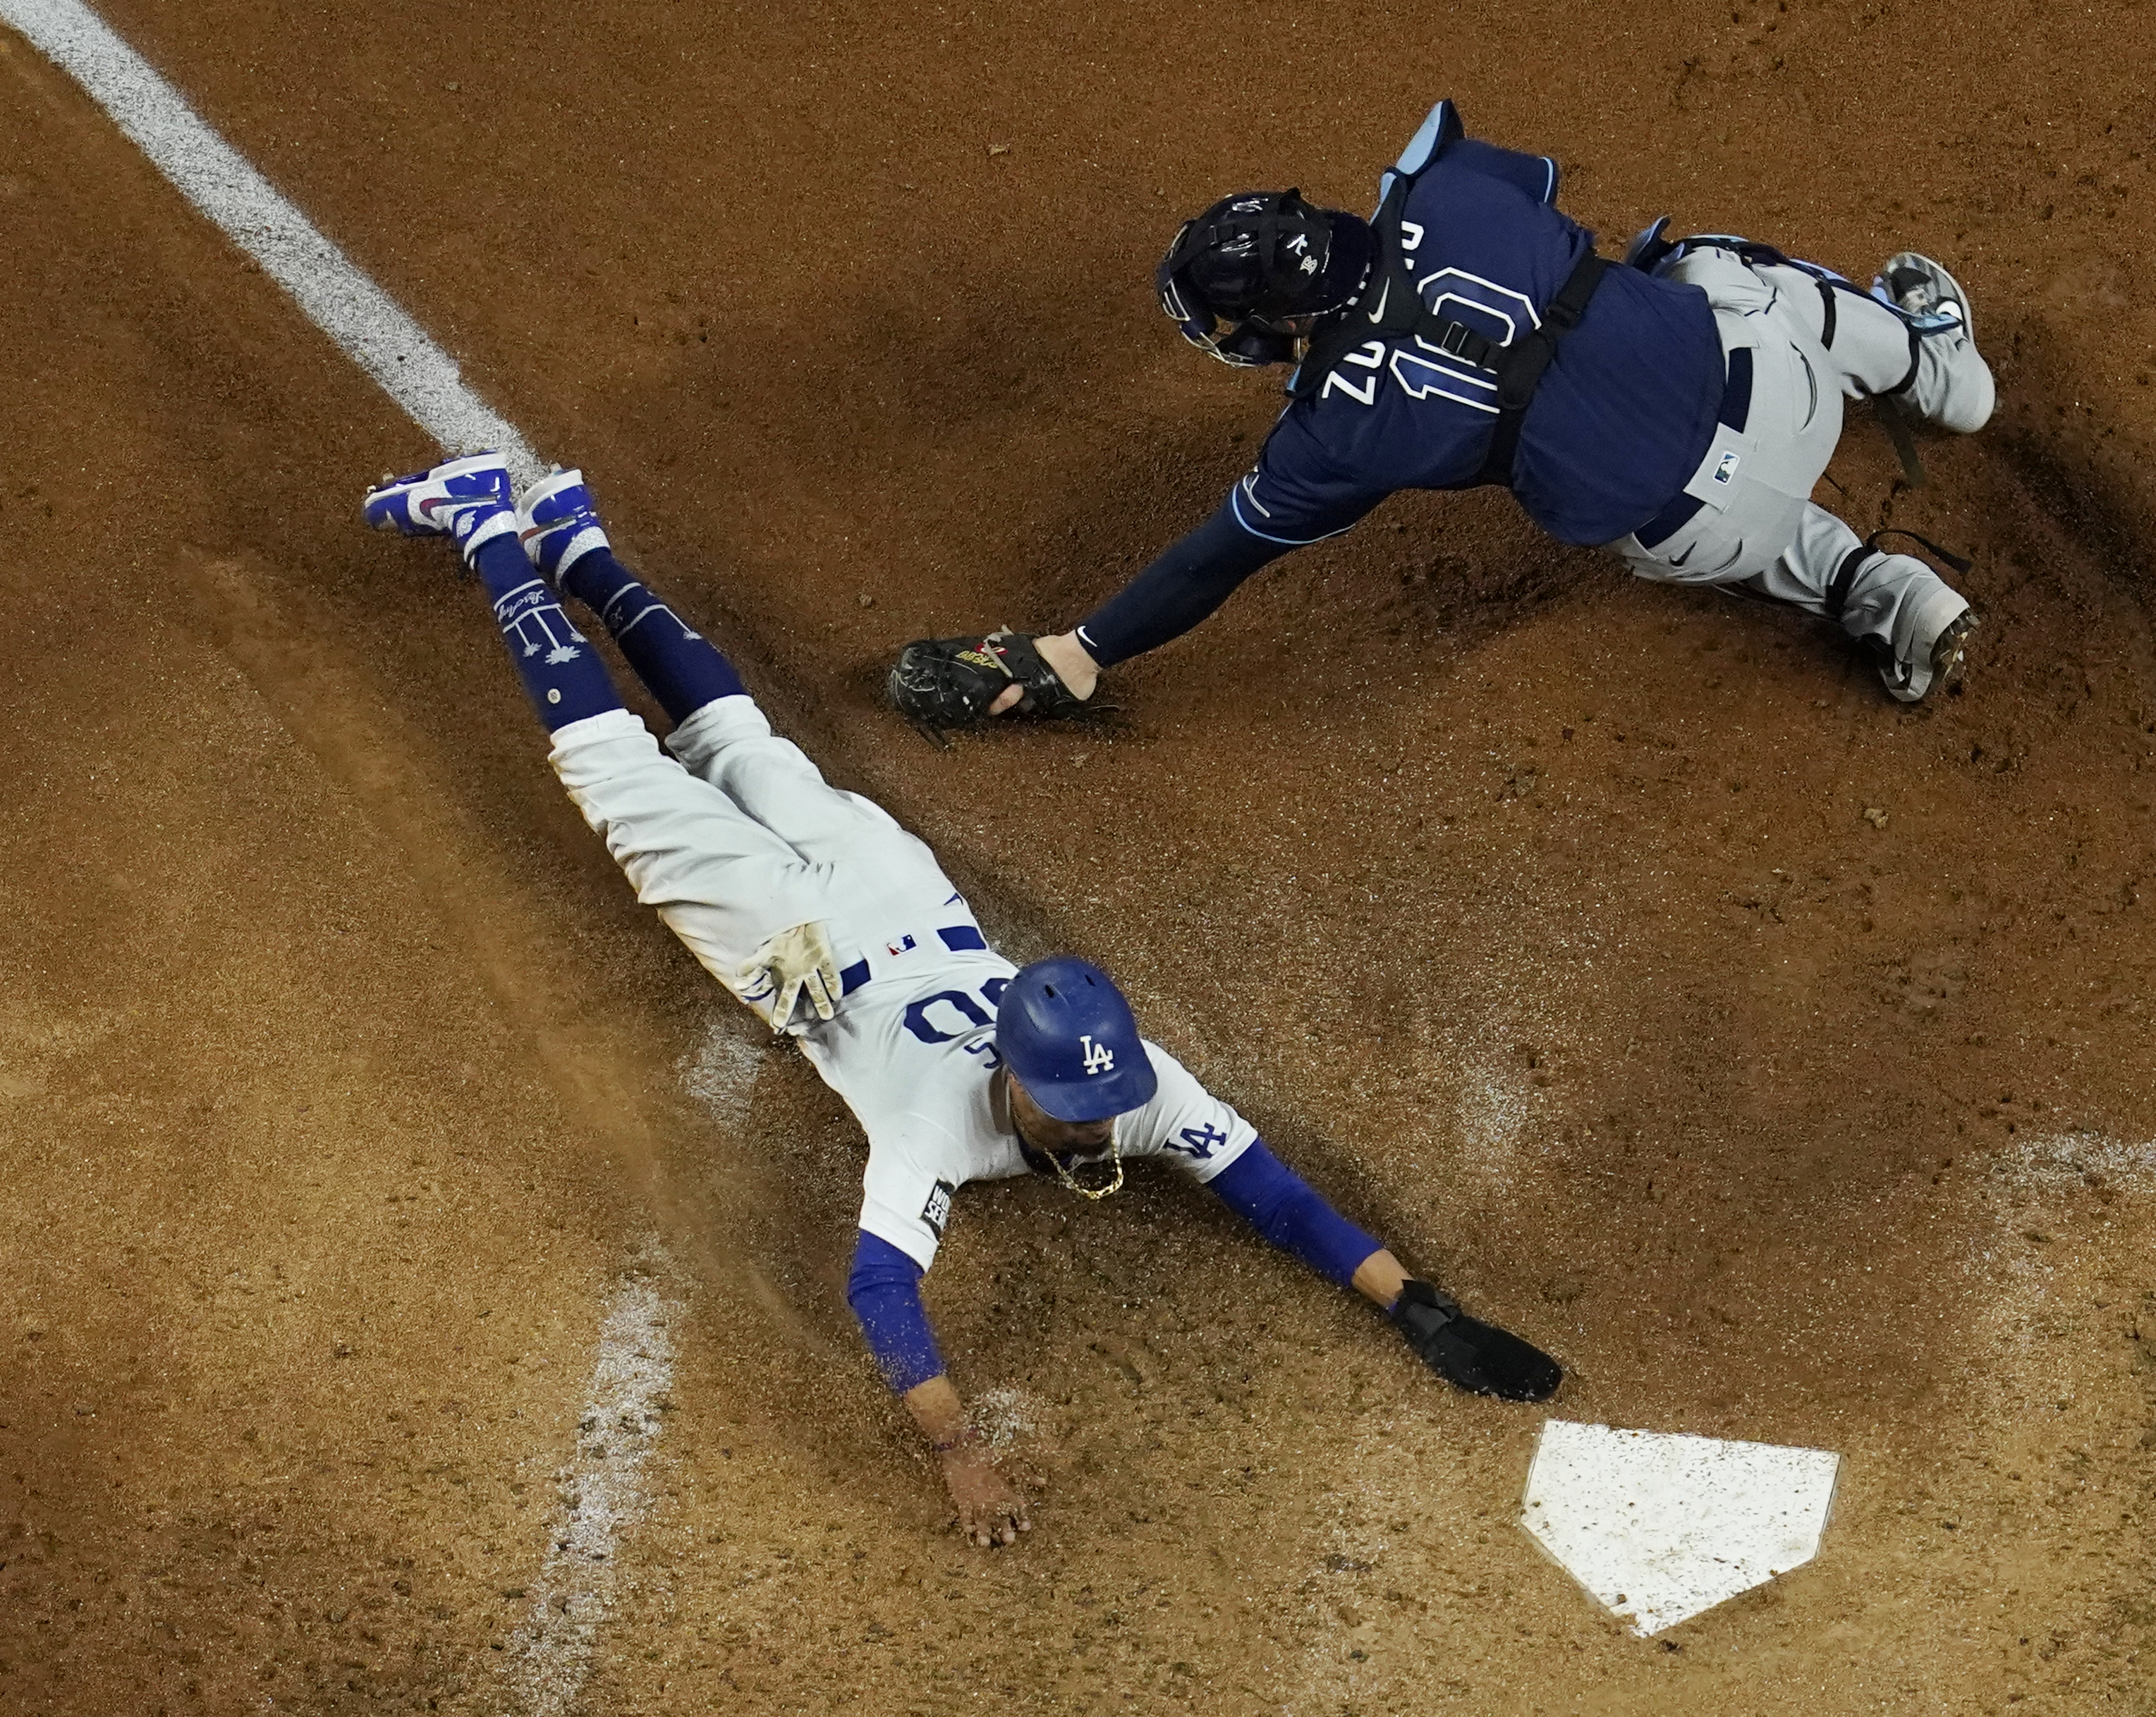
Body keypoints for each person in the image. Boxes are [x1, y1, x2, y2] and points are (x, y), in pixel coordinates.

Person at [360, 451, 1561, 1547]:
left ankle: (574, 543)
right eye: (1068, 1114)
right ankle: (492, 531)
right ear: (1010, 1078)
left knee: (729, 733)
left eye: (1101, 1109)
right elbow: (880, 1288)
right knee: (615, 762)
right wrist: (958, 1456)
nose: (1095, 1130)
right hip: (801, 935)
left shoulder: (1128, 1085)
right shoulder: (939, 1127)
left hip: (891, 895)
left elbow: (1278, 1199)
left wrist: (1418, 1308)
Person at [887, 98, 1996, 730]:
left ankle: (1877, 590)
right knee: (1699, 263)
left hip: (1701, 533)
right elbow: (1540, 194)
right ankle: (1936, 370)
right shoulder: (1445, 186)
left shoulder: (1331, 433)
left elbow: (1211, 560)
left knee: (1655, 485)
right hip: (1792, 389)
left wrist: (1075, 651)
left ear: (1274, 318)